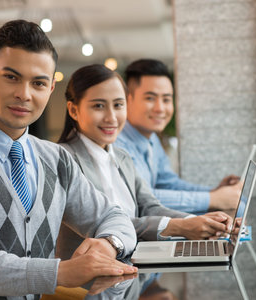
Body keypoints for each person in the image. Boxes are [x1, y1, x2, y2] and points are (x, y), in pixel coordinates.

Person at [0, 20, 138, 300]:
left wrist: (108, 244)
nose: (24, 94)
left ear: (51, 88)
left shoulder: (56, 160)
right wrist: (60, 273)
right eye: (11, 77)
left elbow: (112, 216)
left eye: (38, 83)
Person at [56, 64, 234, 258]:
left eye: (118, 105)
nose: (111, 117)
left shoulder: (122, 156)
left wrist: (201, 222)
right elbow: (106, 225)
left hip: (129, 267)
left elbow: (150, 206)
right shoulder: (64, 160)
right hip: (87, 280)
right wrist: (181, 226)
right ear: (73, 110)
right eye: (98, 106)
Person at [114, 59, 242, 214]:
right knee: (233, 211)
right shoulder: (117, 143)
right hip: (140, 228)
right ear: (127, 100)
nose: (160, 108)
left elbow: (169, 183)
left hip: (155, 219)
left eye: (166, 99)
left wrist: (216, 191)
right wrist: (213, 198)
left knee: (237, 206)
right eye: (150, 98)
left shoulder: (151, 139)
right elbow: (141, 199)